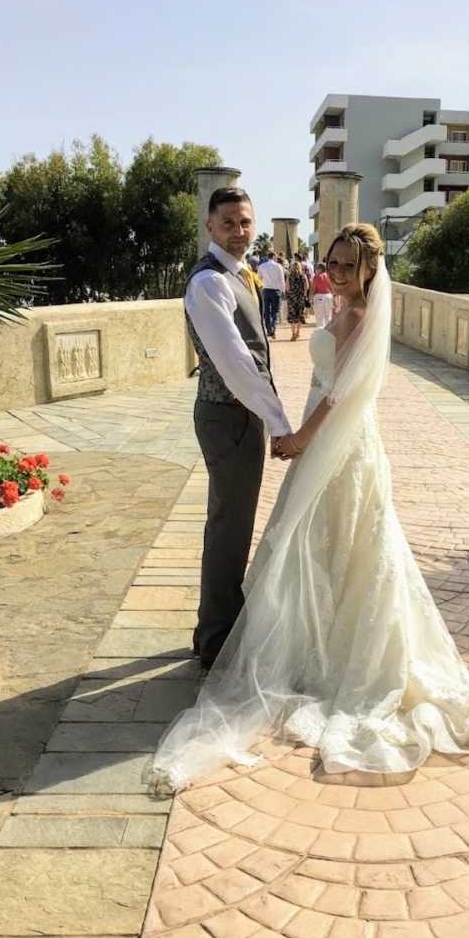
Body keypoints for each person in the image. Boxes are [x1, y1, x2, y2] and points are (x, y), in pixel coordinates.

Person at [150, 223, 469, 791]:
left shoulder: (361, 317)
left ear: (369, 269)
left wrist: (298, 440)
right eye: (331, 263)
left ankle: (341, 652)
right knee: (325, 539)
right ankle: (321, 639)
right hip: (338, 437)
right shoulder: (347, 310)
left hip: (338, 441)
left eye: (346, 266)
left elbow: (339, 396)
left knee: (342, 537)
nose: (335, 273)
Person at [181, 186, 292, 672]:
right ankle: (216, 638)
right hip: (229, 416)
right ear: (209, 226)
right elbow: (237, 364)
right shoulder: (210, 283)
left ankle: (213, 624)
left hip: (238, 415)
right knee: (229, 526)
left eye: (245, 221)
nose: (239, 230)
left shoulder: (237, 274)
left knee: (231, 523)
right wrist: (280, 424)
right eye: (228, 222)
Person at [257, 252, 285, 338]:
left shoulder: (262, 266)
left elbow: (259, 278)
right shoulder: (278, 266)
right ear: (274, 257)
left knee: (267, 311)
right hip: (276, 290)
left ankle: (269, 329)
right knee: (275, 311)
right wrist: (283, 291)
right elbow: (281, 280)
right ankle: (273, 327)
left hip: (266, 290)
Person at [286, 258, 309, 341]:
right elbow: (307, 286)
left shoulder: (289, 275)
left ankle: (293, 333)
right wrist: (305, 295)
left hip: (292, 297)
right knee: (300, 315)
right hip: (301, 297)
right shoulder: (303, 275)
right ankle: (298, 332)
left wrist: (290, 293)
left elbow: (287, 287)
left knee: (292, 315)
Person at [311, 261, 333, 327]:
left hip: (319, 297)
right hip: (329, 296)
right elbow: (332, 288)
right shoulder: (329, 276)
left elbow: (313, 289)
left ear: (320, 269)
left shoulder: (317, 277)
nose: (316, 270)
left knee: (319, 319)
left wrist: (310, 299)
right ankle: (328, 333)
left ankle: (321, 335)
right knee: (328, 317)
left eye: (317, 268)